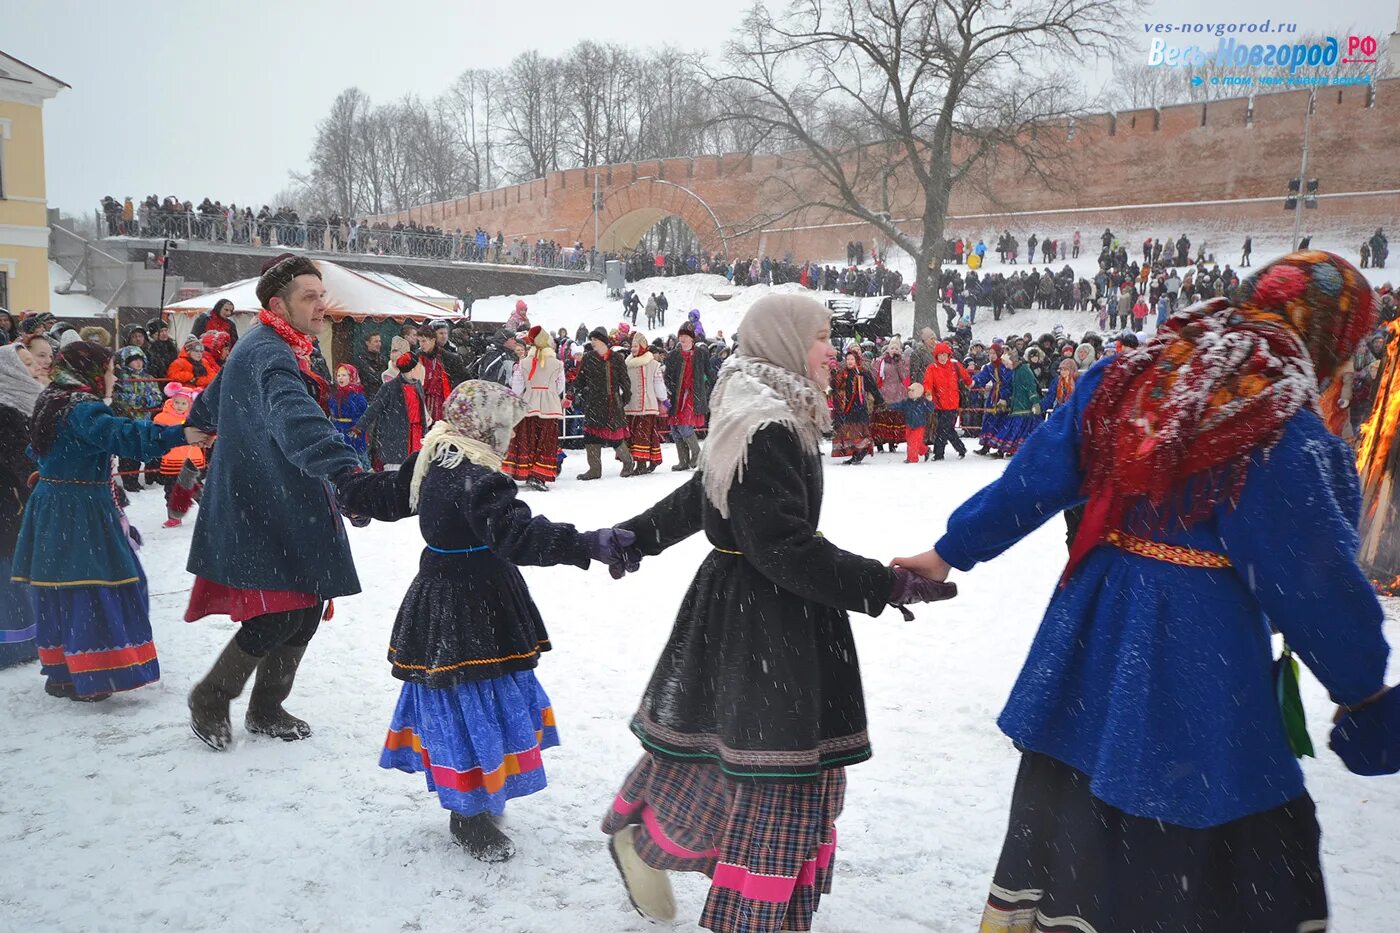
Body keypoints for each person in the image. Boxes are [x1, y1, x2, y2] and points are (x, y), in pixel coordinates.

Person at [896, 251, 1396, 933]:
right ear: (1332, 336)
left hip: (1094, 636)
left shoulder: (1139, 371)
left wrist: (952, 550)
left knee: (1080, 805)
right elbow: (1311, 580)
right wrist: (1364, 690)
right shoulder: (1275, 417)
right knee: (1207, 839)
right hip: (1198, 661)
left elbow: (1039, 472)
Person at [598, 294, 956, 933]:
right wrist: (884, 585)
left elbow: (706, 487)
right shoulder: (764, 421)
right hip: (767, 611)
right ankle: (752, 912)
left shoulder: (764, 407)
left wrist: (637, 535)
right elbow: (780, 546)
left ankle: (650, 845)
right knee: (771, 770)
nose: (832, 352)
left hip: (757, 607)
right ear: (787, 343)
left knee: (728, 754)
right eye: (821, 338)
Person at [334, 381, 643, 862]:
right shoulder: (473, 472)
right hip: (471, 601)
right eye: (508, 427)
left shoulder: (438, 452)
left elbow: (391, 494)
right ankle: (470, 812)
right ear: (488, 424)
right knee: (472, 698)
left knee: (464, 697)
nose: (511, 437)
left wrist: (351, 490)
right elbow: (517, 534)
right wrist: (586, 544)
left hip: (448, 591)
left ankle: (476, 791)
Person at [184, 254, 370, 751]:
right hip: (264, 502)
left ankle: (267, 706)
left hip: (290, 495)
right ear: (276, 304)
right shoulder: (268, 351)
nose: (320, 303)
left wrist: (200, 417)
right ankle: (211, 695)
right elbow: (296, 418)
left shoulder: (277, 345)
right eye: (309, 296)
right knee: (278, 611)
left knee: (306, 608)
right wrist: (347, 468)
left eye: (320, 293)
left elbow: (213, 397)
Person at [12, 343, 206, 701]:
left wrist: (55, 472)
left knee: (63, 586)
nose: (114, 378)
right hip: (81, 509)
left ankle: (63, 673)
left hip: (54, 503)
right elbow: (125, 436)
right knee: (100, 584)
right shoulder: (80, 409)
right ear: (91, 371)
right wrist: (181, 434)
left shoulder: (51, 399)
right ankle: (96, 675)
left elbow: (36, 450)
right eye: (110, 370)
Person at [0, 343, 43, 669]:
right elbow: (20, 463)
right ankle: (16, 645)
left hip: (15, 505)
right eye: (27, 363)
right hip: (8, 507)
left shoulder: (26, 401)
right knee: (10, 574)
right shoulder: (7, 409)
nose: (38, 368)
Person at [503, 326, 565, 491]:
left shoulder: (523, 363)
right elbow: (560, 387)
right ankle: (539, 474)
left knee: (527, 440)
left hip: (529, 405)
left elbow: (516, 388)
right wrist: (548, 391)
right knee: (546, 442)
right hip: (550, 406)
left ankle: (526, 469)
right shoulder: (558, 364)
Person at [573, 327, 633, 480]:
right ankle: (594, 469)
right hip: (594, 402)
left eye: (595, 339)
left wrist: (625, 398)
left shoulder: (616, 358)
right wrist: (570, 393)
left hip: (612, 404)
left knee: (615, 437)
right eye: (591, 339)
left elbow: (625, 381)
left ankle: (628, 462)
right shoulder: (588, 358)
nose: (592, 342)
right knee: (590, 436)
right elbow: (580, 379)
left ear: (603, 341)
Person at [357, 350, 430, 468]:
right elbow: (375, 408)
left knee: (416, 467)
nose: (421, 369)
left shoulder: (417, 385)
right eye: (418, 367)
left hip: (416, 435)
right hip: (398, 437)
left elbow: (421, 410)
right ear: (411, 370)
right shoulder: (390, 387)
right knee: (396, 470)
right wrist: (359, 427)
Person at [111, 346, 164, 493]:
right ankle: (129, 480)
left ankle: (146, 477)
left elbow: (157, 397)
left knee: (142, 449)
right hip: (127, 420)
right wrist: (139, 401)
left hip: (145, 421)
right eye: (134, 361)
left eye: (140, 360)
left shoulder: (148, 378)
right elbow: (119, 398)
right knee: (128, 452)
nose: (138, 364)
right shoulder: (121, 379)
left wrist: (144, 402)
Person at [663, 322, 710, 472]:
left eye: (685, 336)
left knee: (684, 426)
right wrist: (670, 390)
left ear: (692, 339)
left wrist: (706, 389)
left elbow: (710, 374)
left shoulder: (701, 354)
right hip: (677, 396)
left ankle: (697, 453)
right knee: (675, 428)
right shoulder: (673, 356)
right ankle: (682, 461)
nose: (682, 339)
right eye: (680, 336)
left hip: (692, 396)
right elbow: (668, 377)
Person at [623, 331, 668, 474]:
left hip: (646, 405)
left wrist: (664, 399)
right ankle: (649, 460)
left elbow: (658, 384)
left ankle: (642, 463)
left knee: (643, 435)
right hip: (631, 405)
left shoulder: (653, 365)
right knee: (636, 435)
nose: (633, 349)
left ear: (642, 346)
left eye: (636, 346)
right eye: (632, 346)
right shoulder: (627, 364)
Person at [922, 341, 971, 460]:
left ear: (948, 355)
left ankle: (939, 453)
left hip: (953, 403)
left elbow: (965, 376)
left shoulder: (955, 365)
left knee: (942, 429)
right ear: (936, 356)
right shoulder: (932, 368)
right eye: (940, 355)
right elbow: (927, 382)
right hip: (939, 403)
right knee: (947, 428)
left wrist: (969, 382)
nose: (943, 357)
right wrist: (928, 392)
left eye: (944, 355)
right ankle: (960, 448)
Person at [830, 346, 877, 464]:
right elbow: (836, 387)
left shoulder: (863, 373)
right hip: (847, 407)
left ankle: (861, 452)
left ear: (856, 360)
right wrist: (834, 375)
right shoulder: (843, 373)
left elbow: (873, 388)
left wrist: (880, 401)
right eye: (848, 359)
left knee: (859, 431)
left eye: (852, 359)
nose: (850, 362)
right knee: (850, 432)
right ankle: (855, 454)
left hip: (859, 407)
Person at [870, 340, 910, 453]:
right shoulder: (880, 362)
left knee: (894, 419)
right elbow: (875, 376)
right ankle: (879, 444)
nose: (894, 351)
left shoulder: (900, 362)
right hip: (883, 393)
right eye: (892, 348)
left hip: (897, 393)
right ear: (888, 350)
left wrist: (898, 363)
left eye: (896, 349)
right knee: (881, 418)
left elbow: (904, 376)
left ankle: (892, 443)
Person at [328, 364, 369, 469]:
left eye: (344, 375)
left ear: (351, 377)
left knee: (359, 460)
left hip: (353, 432)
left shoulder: (358, 396)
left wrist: (355, 430)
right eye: (339, 375)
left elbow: (363, 417)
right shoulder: (335, 395)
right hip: (338, 431)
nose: (340, 378)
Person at [884, 382, 936, 462]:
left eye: (912, 390)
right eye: (909, 390)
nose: (909, 392)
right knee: (911, 441)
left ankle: (912, 458)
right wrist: (889, 406)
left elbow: (930, 409)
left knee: (913, 442)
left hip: (919, 426)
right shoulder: (907, 402)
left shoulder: (923, 402)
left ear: (918, 392)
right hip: (909, 425)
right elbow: (898, 405)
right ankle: (925, 450)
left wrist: (929, 401)